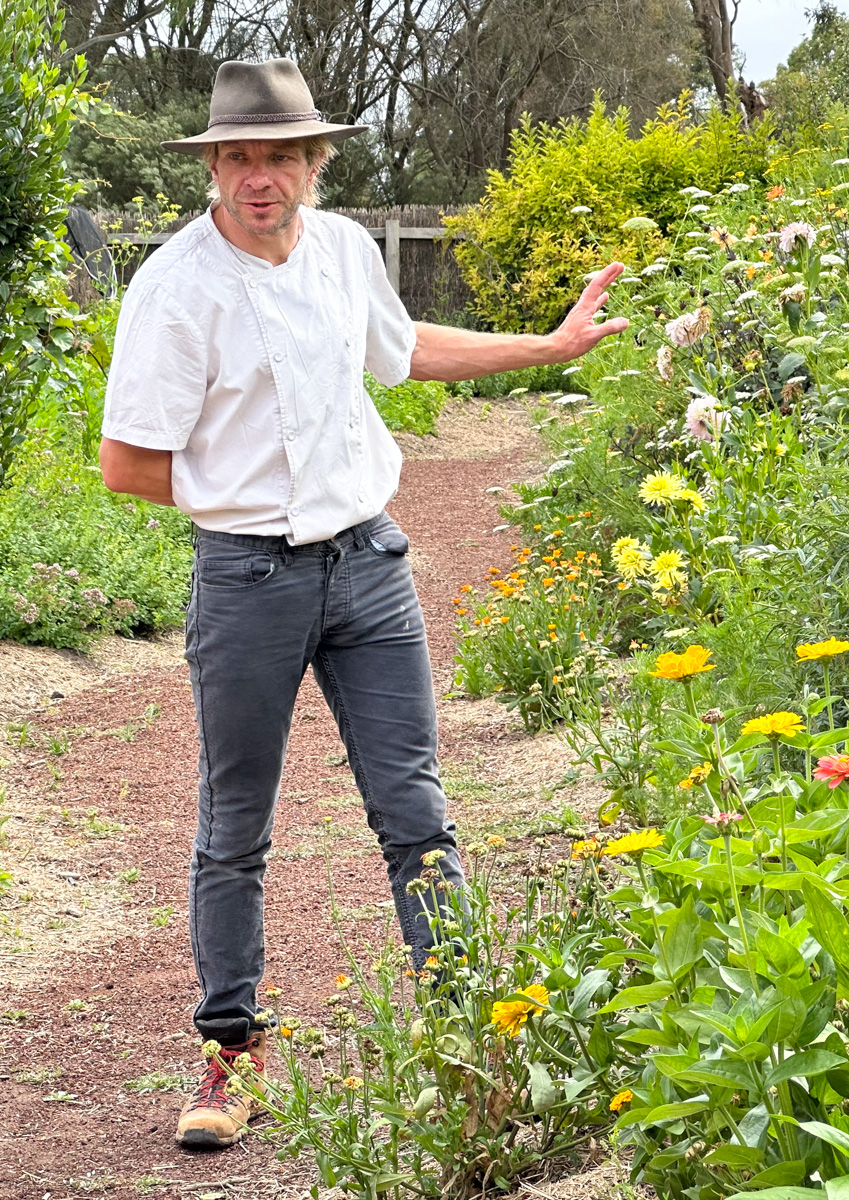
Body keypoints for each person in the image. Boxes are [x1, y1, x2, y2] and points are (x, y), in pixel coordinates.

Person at [98, 57, 629, 1151]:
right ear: (212, 167)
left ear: (316, 164)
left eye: (282, 156)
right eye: (239, 157)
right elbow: (128, 463)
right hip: (247, 578)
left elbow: (404, 349)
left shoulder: (342, 250)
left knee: (416, 810)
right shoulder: (176, 286)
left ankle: (470, 1041)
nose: (260, 176)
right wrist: (255, 505)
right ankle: (230, 1053)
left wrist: (548, 346)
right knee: (236, 825)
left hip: (371, 566)